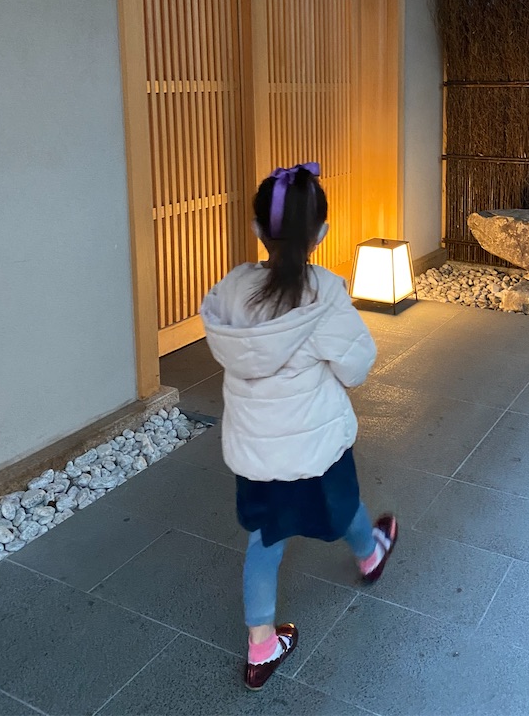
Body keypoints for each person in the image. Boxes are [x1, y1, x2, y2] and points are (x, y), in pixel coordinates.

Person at [201, 162, 398, 691]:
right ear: (322, 234)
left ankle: (261, 646)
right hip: (315, 446)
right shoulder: (324, 296)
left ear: (257, 230)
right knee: (344, 506)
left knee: (266, 539)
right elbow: (356, 367)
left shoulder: (231, 291)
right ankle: (369, 554)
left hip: (256, 452)